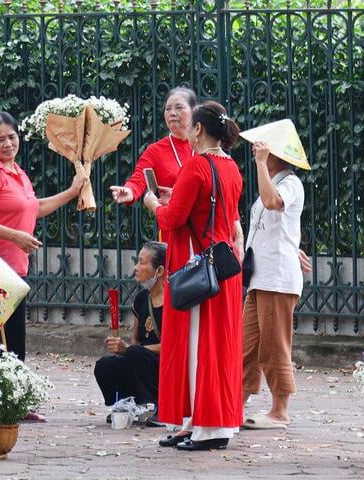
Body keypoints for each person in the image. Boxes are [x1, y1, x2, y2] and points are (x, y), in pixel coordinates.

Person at [0, 112, 85, 421]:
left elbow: (34, 207)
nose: (7, 143)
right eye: (0, 139)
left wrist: (72, 192)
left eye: (12, 137)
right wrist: (14, 235)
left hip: (13, 268)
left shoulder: (17, 172)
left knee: (14, 340)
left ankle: (13, 403)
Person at [143, 101, 244, 451]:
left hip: (197, 267)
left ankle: (209, 427)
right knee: (219, 349)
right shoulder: (231, 167)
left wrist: (153, 203)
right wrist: (174, 197)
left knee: (198, 349)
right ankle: (193, 422)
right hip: (222, 266)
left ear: (198, 129)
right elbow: (208, 209)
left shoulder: (197, 165)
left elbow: (171, 220)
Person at [239, 120, 309, 430]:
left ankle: (280, 410)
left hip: (277, 279)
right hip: (261, 277)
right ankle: (235, 403)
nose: (258, 150)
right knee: (247, 345)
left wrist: (260, 164)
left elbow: (272, 203)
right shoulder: (275, 179)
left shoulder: (290, 183)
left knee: (273, 346)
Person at [109, 87, 197, 243]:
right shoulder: (155, 151)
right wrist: (129, 191)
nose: (172, 113)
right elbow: (139, 178)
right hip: (173, 234)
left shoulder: (204, 147)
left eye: (179, 107)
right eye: (168, 109)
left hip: (202, 231)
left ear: (194, 111)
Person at [94, 241, 166, 425]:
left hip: (166, 365)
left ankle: (162, 407)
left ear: (159, 271)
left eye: (142, 262)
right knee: (105, 365)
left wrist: (131, 350)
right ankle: (127, 402)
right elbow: (135, 341)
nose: (136, 268)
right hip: (141, 359)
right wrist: (121, 348)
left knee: (135, 353)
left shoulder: (174, 300)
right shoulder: (142, 299)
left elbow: (174, 346)